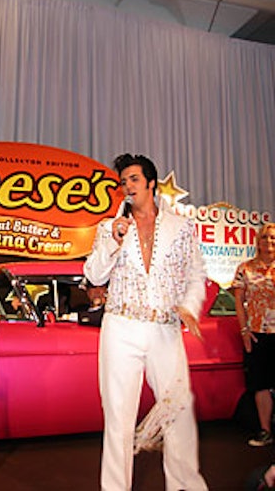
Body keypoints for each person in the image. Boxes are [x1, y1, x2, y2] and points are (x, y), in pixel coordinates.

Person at [84, 153, 208, 491]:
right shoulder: (109, 227)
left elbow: (196, 275)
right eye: (123, 182)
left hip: (164, 329)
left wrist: (188, 306)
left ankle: (183, 485)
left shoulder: (181, 227)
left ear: (151, 183)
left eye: (134, 180)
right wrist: (113, 238)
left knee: (177, 410)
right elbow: (93, 274)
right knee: (118, 419)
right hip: (121, 327)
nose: (127, 187)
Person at [233, 222, 275, 447]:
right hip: (258, 334)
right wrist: (244, 330)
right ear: (258, 241)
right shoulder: (245, 268)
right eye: (265, 238)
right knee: (261, 384)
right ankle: (265, 431)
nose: (269, 242)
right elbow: (239, 301)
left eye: (273, 239)